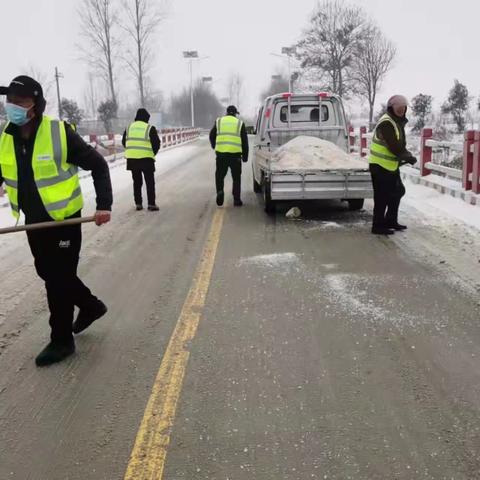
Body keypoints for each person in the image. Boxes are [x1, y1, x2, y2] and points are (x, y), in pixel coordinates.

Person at [0, 75, 113, 366]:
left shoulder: (59, 132)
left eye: (21, 101)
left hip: (63, 220)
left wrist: (104, 205)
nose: (13, 106)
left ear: (35, 105)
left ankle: (62, 340)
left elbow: (99, 165)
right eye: (10, 100)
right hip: (34, 222)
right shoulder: (5, 138)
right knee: (48, 272)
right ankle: (90, 305)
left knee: (58, 279)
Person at [369, 95, 417, 235]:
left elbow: (398, 145)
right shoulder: (387, 123)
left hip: (390, 165)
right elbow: (394, 146)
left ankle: (390, 220)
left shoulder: (396, 122)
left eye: (404, 108)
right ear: (392, 108)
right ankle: (377, 226)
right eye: (399, 108)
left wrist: (405, 155)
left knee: (397, 191)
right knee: (382, 196)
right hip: (379, 166)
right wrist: (408, 157)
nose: (401, 110)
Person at [209, 105, 249, 207]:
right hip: (235, 156)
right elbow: (244, 141)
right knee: (236, 178)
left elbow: (211, 135)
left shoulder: (219, 121)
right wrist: (245, 156)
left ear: (226, 112)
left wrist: (215, 145)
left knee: (219, 175)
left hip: (221, 155)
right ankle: (236, 200)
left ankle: (220, 191)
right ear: (235, 113)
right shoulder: (240, 123)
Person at [122, 108, 161, 211]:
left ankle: (138, 203)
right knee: (149, 182)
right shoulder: (149, 128)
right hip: (146, 160)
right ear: (146, 118)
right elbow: (156, 143)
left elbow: (123, 142)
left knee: (137, 182)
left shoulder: (128, 128)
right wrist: (152, 153)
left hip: (132, 160)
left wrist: (132, 150)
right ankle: (151, 204)